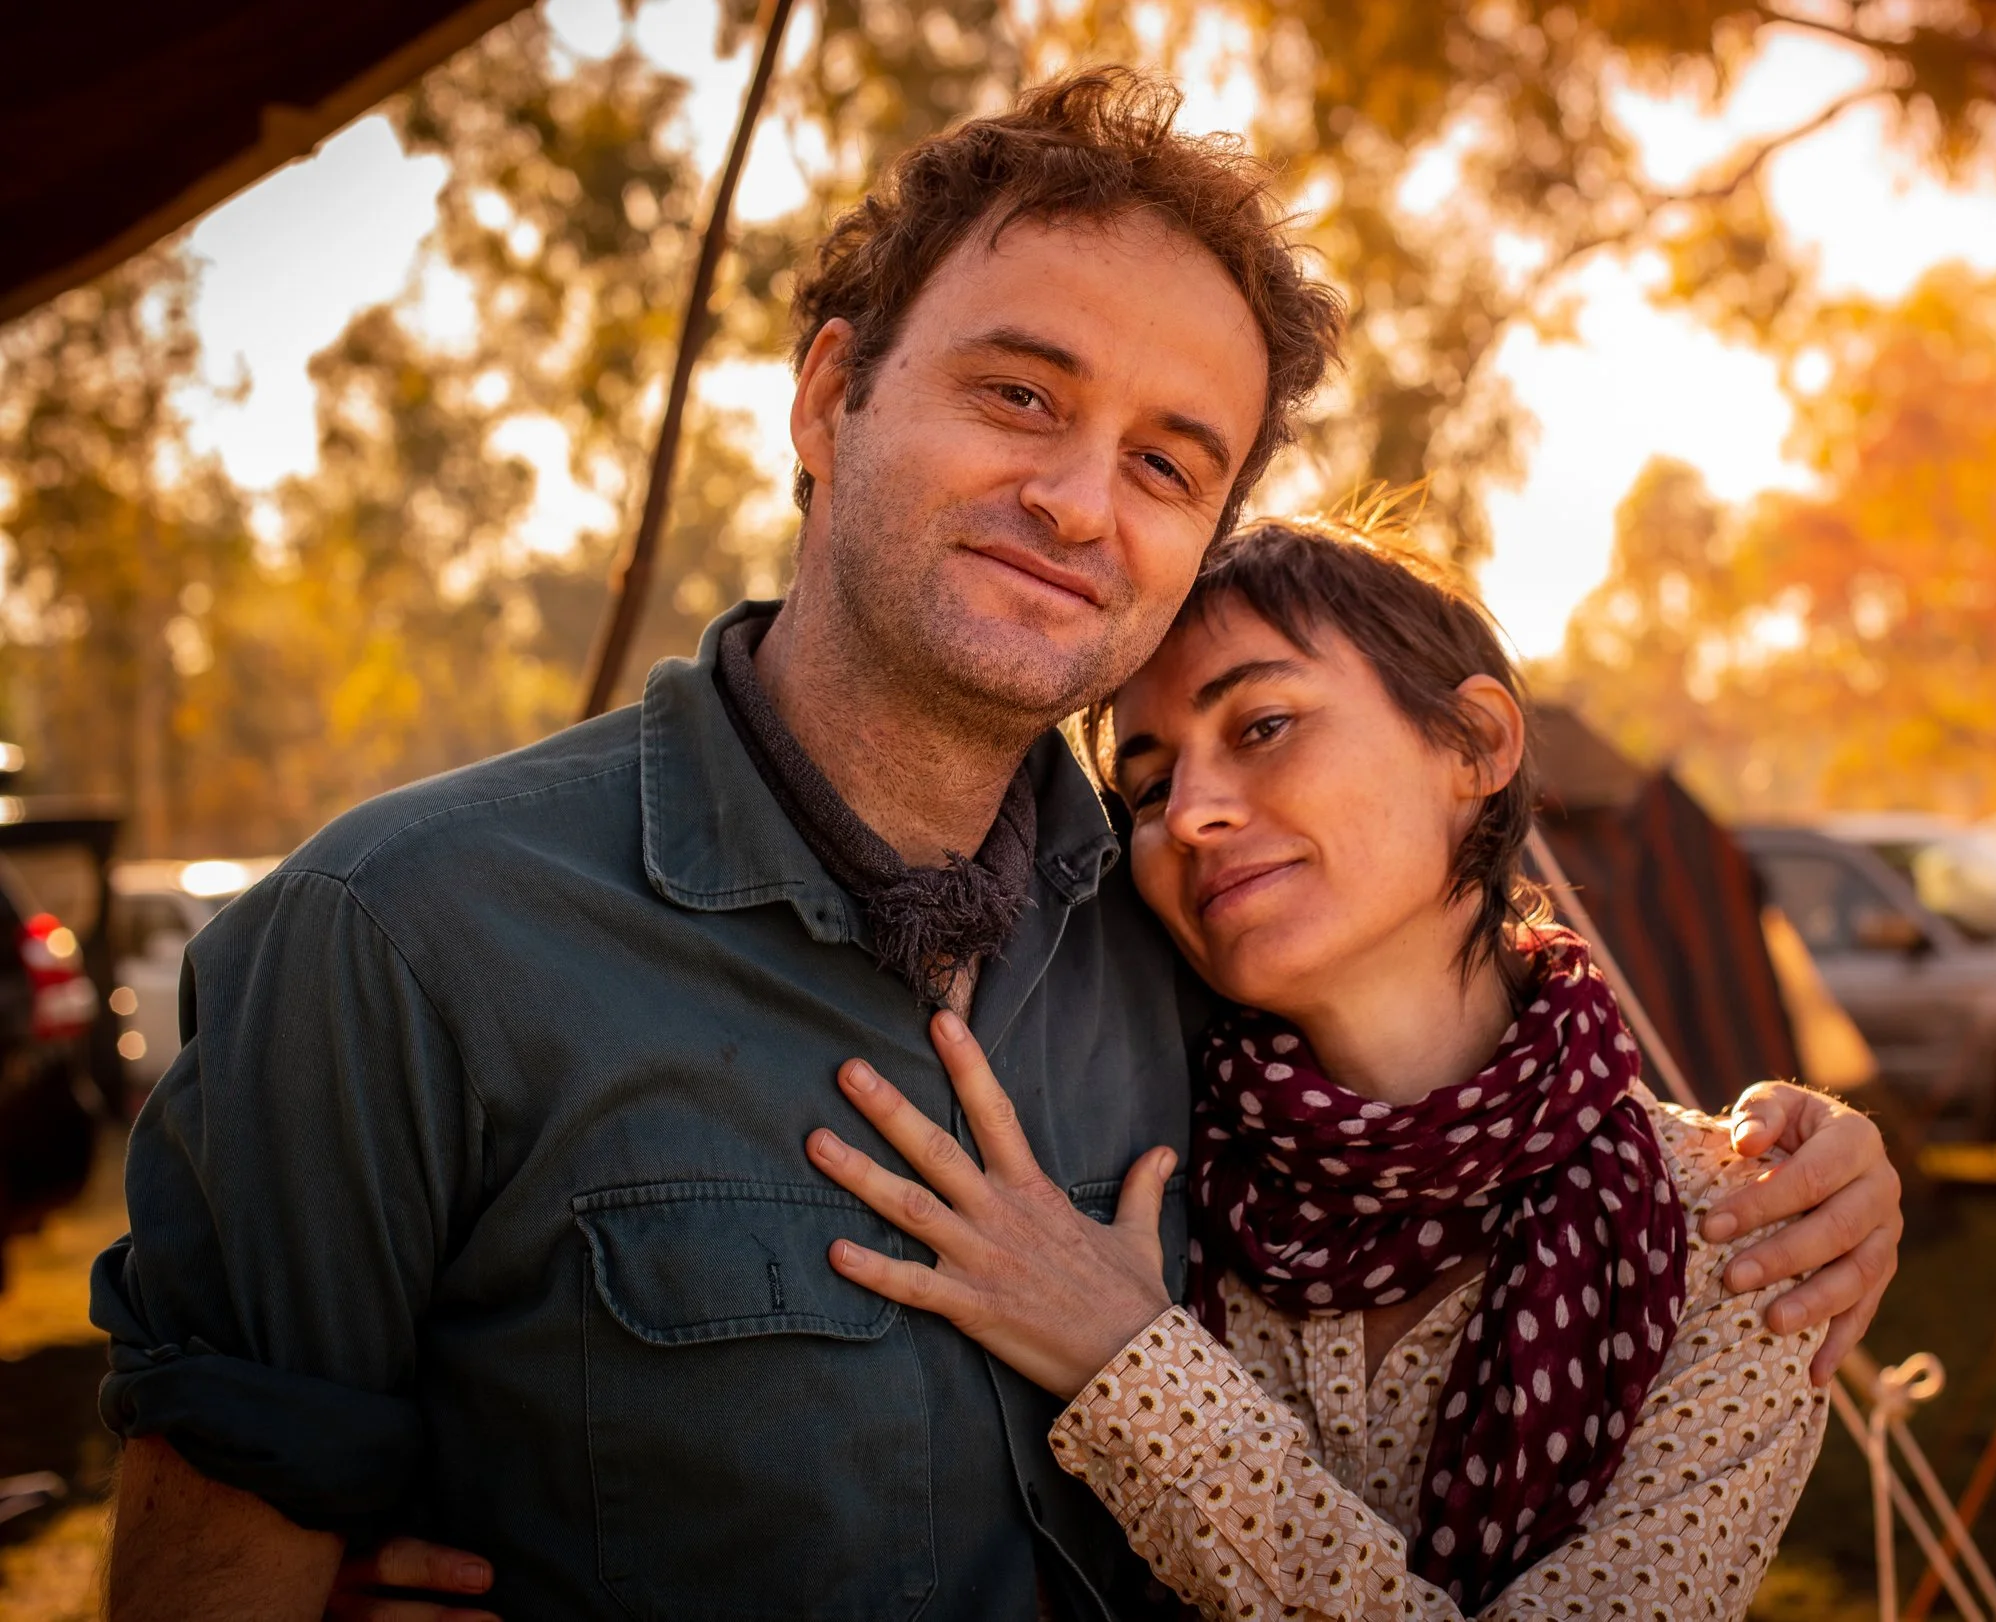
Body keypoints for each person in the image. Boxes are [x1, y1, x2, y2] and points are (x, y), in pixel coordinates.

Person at [92, 72, 1900, 1622]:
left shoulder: (1192, 955)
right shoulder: (400, 938)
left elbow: (1462, 1096)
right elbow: (222, 1545)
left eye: (1171, 461)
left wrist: (1825, 1173)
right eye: (1020, 394)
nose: (1078, 499)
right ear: (826, 403)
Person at [805, 516, 1832, 1619]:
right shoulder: (1127, 1156)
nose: (1191, 813)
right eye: (1147, 789)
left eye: (1265, 723)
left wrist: (1131, 1369)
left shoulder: (1738, 1237)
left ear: (1476, 744)